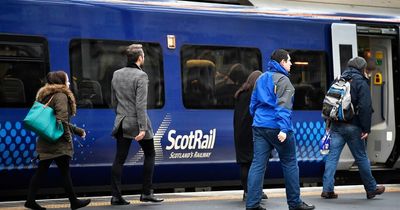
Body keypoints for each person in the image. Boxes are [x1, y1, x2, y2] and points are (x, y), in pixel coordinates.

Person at [246, 49, 315, 210]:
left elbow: (253, 104)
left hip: (259, 126)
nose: (291, 64)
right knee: (290, 163)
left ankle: (252, 204)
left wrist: (258, 118)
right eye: (289, 61)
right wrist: (283, 129)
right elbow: (283, 107)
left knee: (257, 164)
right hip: (278, 128)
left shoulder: (261, 78)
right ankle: (294, 203)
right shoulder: (284, 81)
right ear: (282, 62)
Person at [25, 71, 91, 210]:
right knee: (64, 172)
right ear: (61, 81)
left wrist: (78, 131)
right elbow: (61, 121)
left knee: (43, 171)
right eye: (66, 80)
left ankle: (31, 200)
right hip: (58, 142)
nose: (68, 83)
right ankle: (74, 202)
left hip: (46, 139)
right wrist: (68, 139)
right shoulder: (61, 95)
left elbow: (55, 120)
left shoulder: (46, 95)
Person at [321, 57, 385, 199]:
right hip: (354, 126)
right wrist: (366, 128)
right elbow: (365, 107)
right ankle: (371, 188)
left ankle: (327, 189)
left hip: (337, 126)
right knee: (361, 157)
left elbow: (330, 103)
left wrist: (329, 124)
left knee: (332, 157)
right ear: (362, 68)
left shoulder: (339, 79)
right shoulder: (361, 82)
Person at [110, 44, 163, 205]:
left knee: (119, 159)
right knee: (150, 154)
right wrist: (142, 128)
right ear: (140, 58)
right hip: (138, 122)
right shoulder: (141, 76)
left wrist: (121, 116)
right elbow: (141, 105)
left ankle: (115, 196)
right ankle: (146, 192)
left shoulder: (116, 74)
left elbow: (113, 101)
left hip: (121, 121)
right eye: (144, 56)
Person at [233, 70, 269, 201]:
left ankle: (248, 192)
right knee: (257, 164)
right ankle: (256, 191)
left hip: (240, 133)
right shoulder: (256, 94)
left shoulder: (240, 94)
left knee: (245, 164)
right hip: (253, 132)